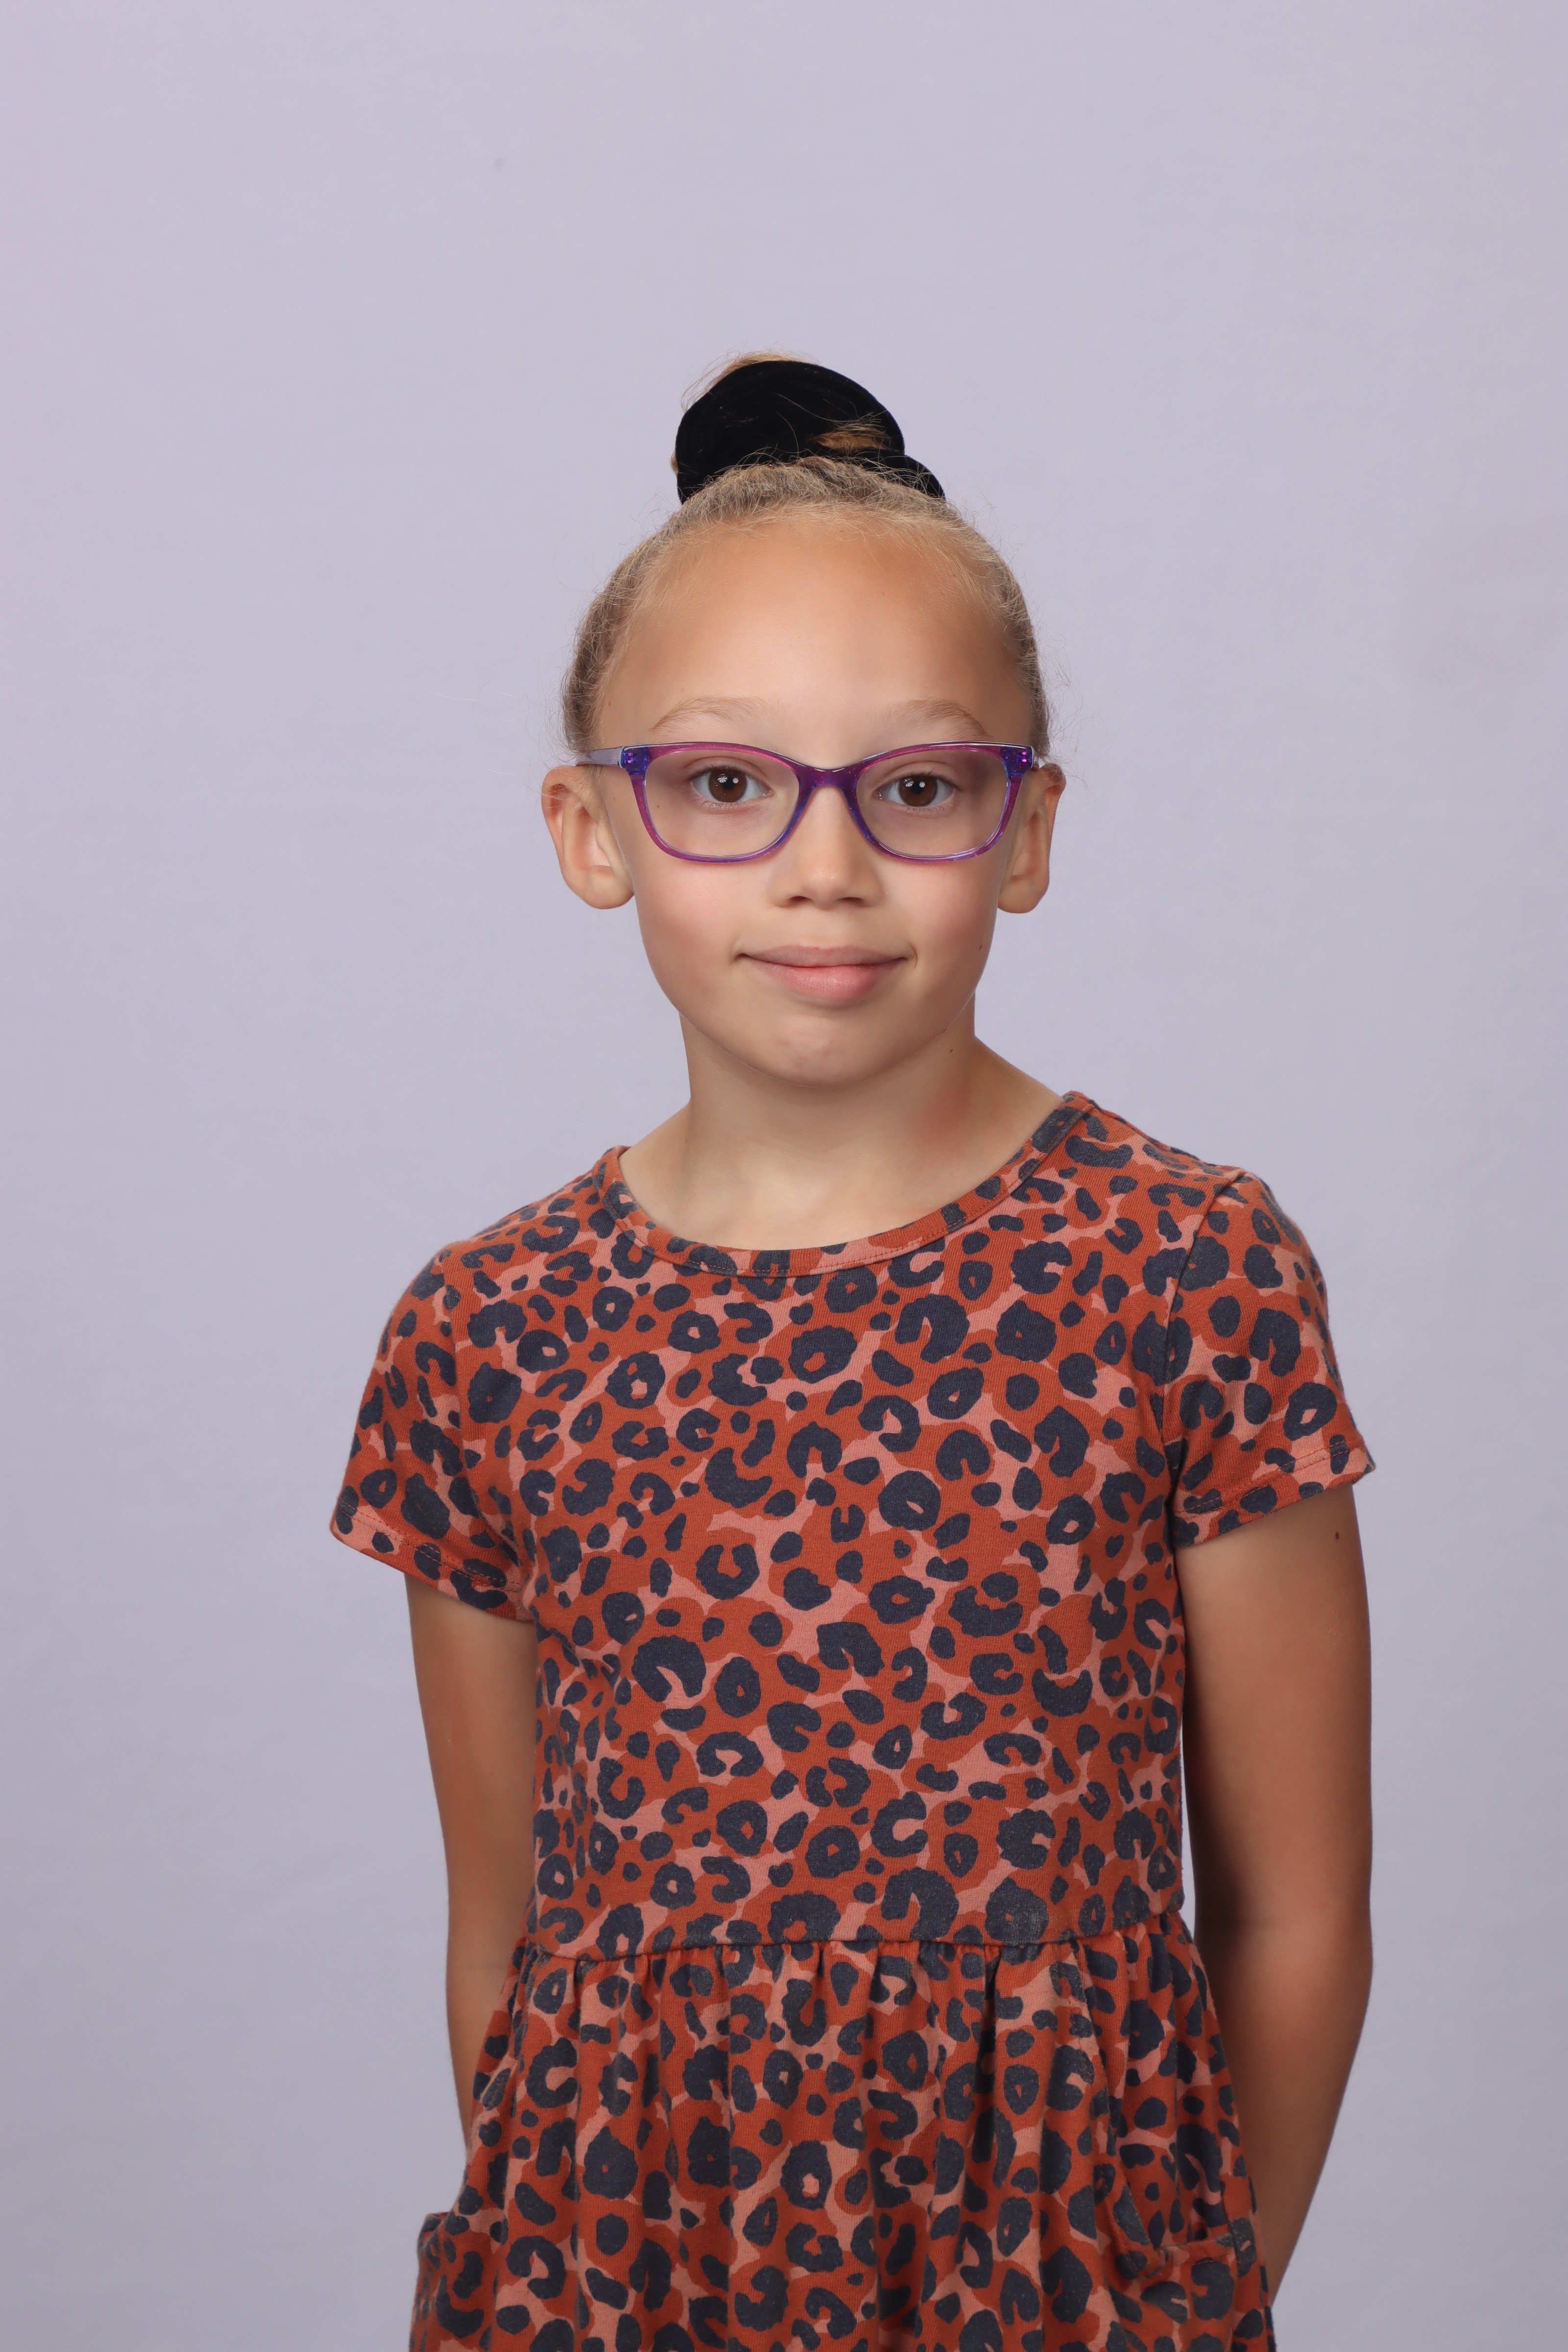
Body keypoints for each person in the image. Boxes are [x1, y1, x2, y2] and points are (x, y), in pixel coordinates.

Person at [331, 356, 1373, 2352]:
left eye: (914, 786)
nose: (826, 867)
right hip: (615, 2286)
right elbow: (509, 1935)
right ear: (592, 829)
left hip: (1063, 2293)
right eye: (727, 785)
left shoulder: (1181, 1271)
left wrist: (1189, 2297)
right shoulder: (489, 1331)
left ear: (1024, 826)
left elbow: (1294, 1912)